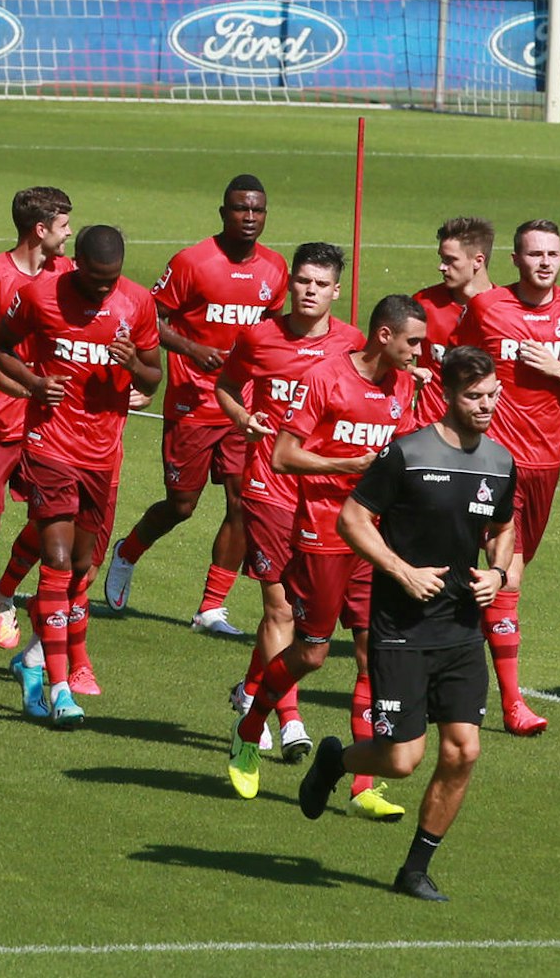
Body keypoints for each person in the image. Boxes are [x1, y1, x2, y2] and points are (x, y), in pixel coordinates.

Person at [297, 345, 517, 903]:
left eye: (493, 395)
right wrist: (399, 569)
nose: (487, 406)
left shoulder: (500, 461)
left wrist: (498, 572)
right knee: (400, 759)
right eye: (474, 397)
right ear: (447, 394)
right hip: (402, 628)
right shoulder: (406, 455)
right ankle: (336, 760)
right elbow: (351, 519)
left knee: (464, 750)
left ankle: (415, 868)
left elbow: (504, 528)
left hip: (464, 628)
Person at [226, 292, 436, 825]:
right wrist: (353, 461)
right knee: (314, 654)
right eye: (414, 341)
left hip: (374, 537)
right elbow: (283, 455)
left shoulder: (406, 385)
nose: (420, 351)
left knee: (373, 654)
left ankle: (364, 783)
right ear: (384, 336)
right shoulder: (327, 378)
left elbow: (404, 450)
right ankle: (250, 729)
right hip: (323, 532)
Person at [0, 225, 162, 726]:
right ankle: (60, 688)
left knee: (83, 565)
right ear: (77, 263)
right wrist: (33, 382)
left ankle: (31, 662)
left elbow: (155, 375)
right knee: (58, 558)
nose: (105, 288)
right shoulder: (40, 296)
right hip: (50, 444)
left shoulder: (136, 304)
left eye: (113, 279)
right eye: (96, 278)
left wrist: (135, 365)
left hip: (101, 452)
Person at [449, 219, 560, 735]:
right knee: (507, 576)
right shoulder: (487, 308)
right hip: (493, 461)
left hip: (547, 463)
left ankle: (455, 661)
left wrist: (559, 370)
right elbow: (456, 363)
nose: (545, 262)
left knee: (499, 578)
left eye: (553, 254)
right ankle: (511, 704)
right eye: (534, 253)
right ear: (515, 260)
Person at [107, 175, 288, 637]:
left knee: (242, 502)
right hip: (193, 401)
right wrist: (190, 349)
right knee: (182, 504)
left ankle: (211, 608)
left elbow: (271, 328)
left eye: (257, 210)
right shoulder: (192, 262)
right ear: (223, 212)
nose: (249, 218)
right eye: (240, 209)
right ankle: (128, 550)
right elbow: (150, 317)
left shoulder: (275, 268)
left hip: (244, 406)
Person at [207, 244, 360, 769]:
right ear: (290, 284)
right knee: (278, 610)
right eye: (302, 281)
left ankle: (252, 691)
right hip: (269, 488)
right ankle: (289, 719)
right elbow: (226, 386)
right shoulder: (259, 335)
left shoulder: (353, 345)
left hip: (323, 501)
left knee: (306, 617)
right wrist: (241, 417)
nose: (309, 290)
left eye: (320, 283)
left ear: (336, 291)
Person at [0, 187, 72, 670]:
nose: (70, 233)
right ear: (40, 230)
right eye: (64, 225)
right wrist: (23, 371)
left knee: (49, 522)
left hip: (51, 421)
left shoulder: (68, 276)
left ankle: (3, 592)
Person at [411, 217, 495, 372]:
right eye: (442, 259)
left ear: (478, 261)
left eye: (450, 260)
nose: (441, 267)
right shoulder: (423, 303)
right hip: (434, 398)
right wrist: (411, 373)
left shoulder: (506, 310)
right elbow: (390, 356)